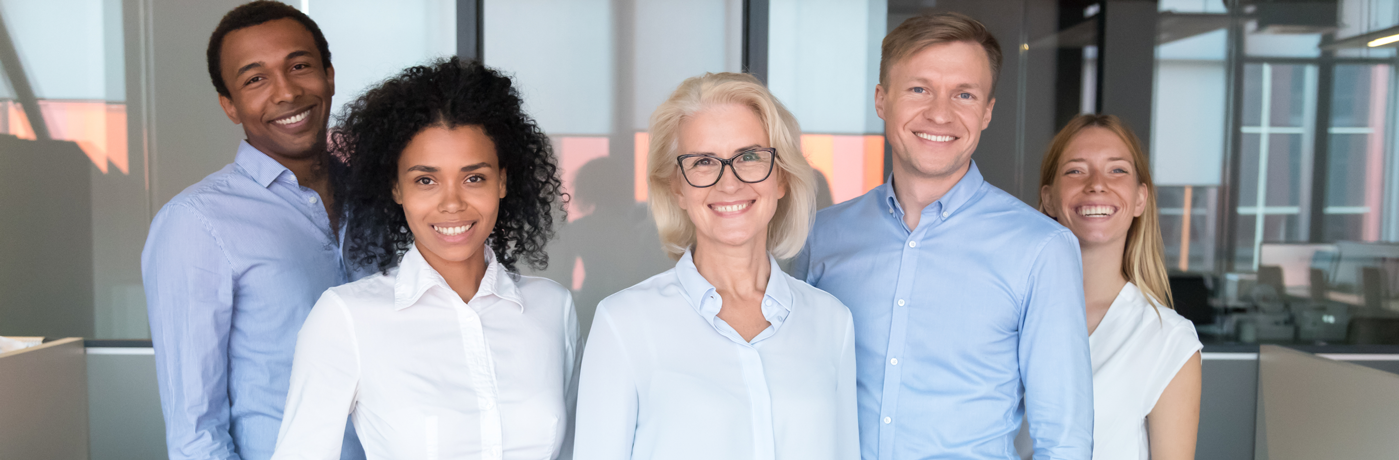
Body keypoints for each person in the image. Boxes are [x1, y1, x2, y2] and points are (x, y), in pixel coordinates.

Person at [793, 12, 1093, 460]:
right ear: (881, 99)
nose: (940, 113)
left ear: (987, 111)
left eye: (964, 94)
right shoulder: (821, 236)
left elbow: (1064, 440)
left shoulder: (1042, 249)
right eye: (919, 89)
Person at [270, 58, 577, 459]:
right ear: (396, 188)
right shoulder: (347, 318)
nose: (452, 203)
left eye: (474, 177)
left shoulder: (552, 308)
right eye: (426, 180)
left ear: (502, 180)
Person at [573, 72, 857, 460]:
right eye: (704, 162)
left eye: (750, 156)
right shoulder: (623, 324)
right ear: (678, 187)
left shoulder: (832, 321)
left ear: (781, 178)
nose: (729, 183)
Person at [141, 2, 366, 458]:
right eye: (255, 79)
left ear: (330, 75)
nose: (286, 92)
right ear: (230, 105)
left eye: (299, 66)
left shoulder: (384, 201)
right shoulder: (196, 223)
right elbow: (194, 431)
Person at [1037, 114, 1202, 460]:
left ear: (1140, 199)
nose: (1097, 184)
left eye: (1117, 171)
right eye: (1075, 170)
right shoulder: (1008, 318)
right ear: (1049, 199)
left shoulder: (1168, 340)